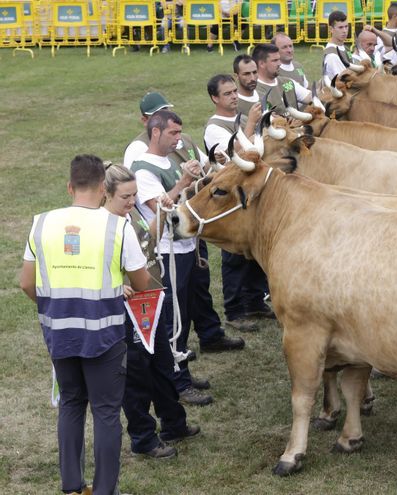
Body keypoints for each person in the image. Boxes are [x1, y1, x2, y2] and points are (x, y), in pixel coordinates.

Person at [20, 154, 150, 495]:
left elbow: (26, 283)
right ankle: (105, 489)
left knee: (71, 404)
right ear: (103, 191)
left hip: (59, 332)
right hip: (104, 333)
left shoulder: (41, 223)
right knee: (106, 411)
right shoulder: (117, 227)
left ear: (69, 186)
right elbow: (142, 279)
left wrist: (52, 305)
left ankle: (72, 486)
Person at [131, 109, 245, 407]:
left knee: (184, 314)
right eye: (173, 133)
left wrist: (199, 180)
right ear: (155, 132)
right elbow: (164, 210)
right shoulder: (143, 169)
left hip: (186, 248)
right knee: (172, 320)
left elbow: (185, 200)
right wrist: (183, 183)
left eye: (179, 133)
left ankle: (181, 371)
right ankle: (176, 383)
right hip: (167, 254)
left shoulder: (169, 161)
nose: (178, 139)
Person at [104, 164, 201, 460]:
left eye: (134, 195)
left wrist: (158, 213)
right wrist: (114, 286)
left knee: (161, 362)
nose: (132, 201)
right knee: (136, 374)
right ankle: (143, 438)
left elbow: (148, 243)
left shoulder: (128, 215)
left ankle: (173, 422)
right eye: (125, 197)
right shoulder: (101, 226)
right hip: (127, 307)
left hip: (150, 297)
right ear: (104, 194)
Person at [204, 75, 274, 334]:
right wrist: (253, 124)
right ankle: (234, 311)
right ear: (215, 98)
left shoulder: (239, 118)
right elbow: (236, 156)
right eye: (227, 93)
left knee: (253, 250)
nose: (234, 97)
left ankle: (255, 300)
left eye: (235, 92)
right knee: (234, 256)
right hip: (230, 198)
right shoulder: (214, 127)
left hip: (249, 194)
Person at [252, 43, 314, 113]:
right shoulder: (254, 90)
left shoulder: (288, 82)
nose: (279, 64)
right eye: (275, 60)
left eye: (279, 59)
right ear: (261, 64)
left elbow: (310, 97)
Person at [233, 54, 262, 129]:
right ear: (236, 77)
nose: (252, 78)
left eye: (255, 72)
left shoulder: (264, 94)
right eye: (246, 74)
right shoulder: (234, 104)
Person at [323, 10, 352, 80]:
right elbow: (345, 80)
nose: (345, 31)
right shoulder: (332, 55)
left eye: (346, 26)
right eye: (340, 27)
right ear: (331, 29)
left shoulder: (345, 48)